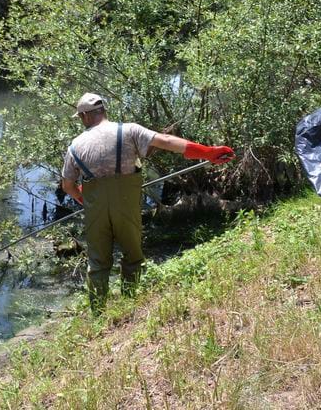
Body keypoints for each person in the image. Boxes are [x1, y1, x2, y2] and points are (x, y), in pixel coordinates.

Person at [60, 92, 234, 308]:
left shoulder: (75, 145)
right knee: (132, 256)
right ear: (103, 111)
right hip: (126, 204)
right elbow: (167, 141)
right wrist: (207, 152)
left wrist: (82, 199)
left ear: (85, 116)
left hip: (95, 209)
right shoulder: (130, 130)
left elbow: (67, 185)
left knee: (97, 263)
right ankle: (130, 305)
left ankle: (98, 314)